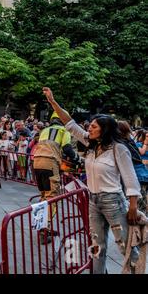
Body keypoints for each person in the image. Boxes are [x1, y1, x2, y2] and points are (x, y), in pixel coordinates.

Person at [43, 87, 141, 274]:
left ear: (105, 130)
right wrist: (53, 102)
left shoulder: (118, 149)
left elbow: (130, 179)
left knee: (125, 247)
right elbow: (70, 124)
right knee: (97, 247)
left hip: (114, 202)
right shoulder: (90, 144)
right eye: (90, 125)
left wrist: (133, 207)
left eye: (94, 126)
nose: (89, 128)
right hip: (94, 201)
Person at [33, 111, 80, 201]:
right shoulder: (63, 130)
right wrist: (77, 159)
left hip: (37, 162)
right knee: (51, 197)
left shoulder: (44, 130)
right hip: (50, 163)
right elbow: (67, 148)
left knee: (43, 195)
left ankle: (42, 214)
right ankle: (49, 215)